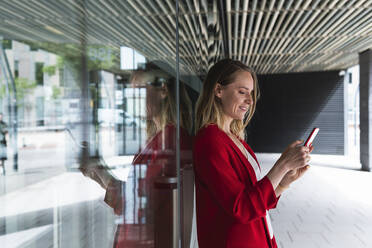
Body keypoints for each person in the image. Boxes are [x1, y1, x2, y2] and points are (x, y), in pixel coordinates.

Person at [193, 59, 314, 248]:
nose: (250, 101)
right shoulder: (209, 141)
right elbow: (241, 207)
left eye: (251, 93)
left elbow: (255, 198)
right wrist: (282, 165)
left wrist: (283, 182)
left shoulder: (234, 138)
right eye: (242, 92)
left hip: (256, 237)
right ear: (218, 91)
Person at [80, 62, 193, 247]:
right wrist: (97, 173)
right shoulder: (160, 137)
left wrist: (101, 171)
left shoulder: (171, 141)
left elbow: (141, 204)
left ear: (163, 90)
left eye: (139, 90)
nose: (133, 99)